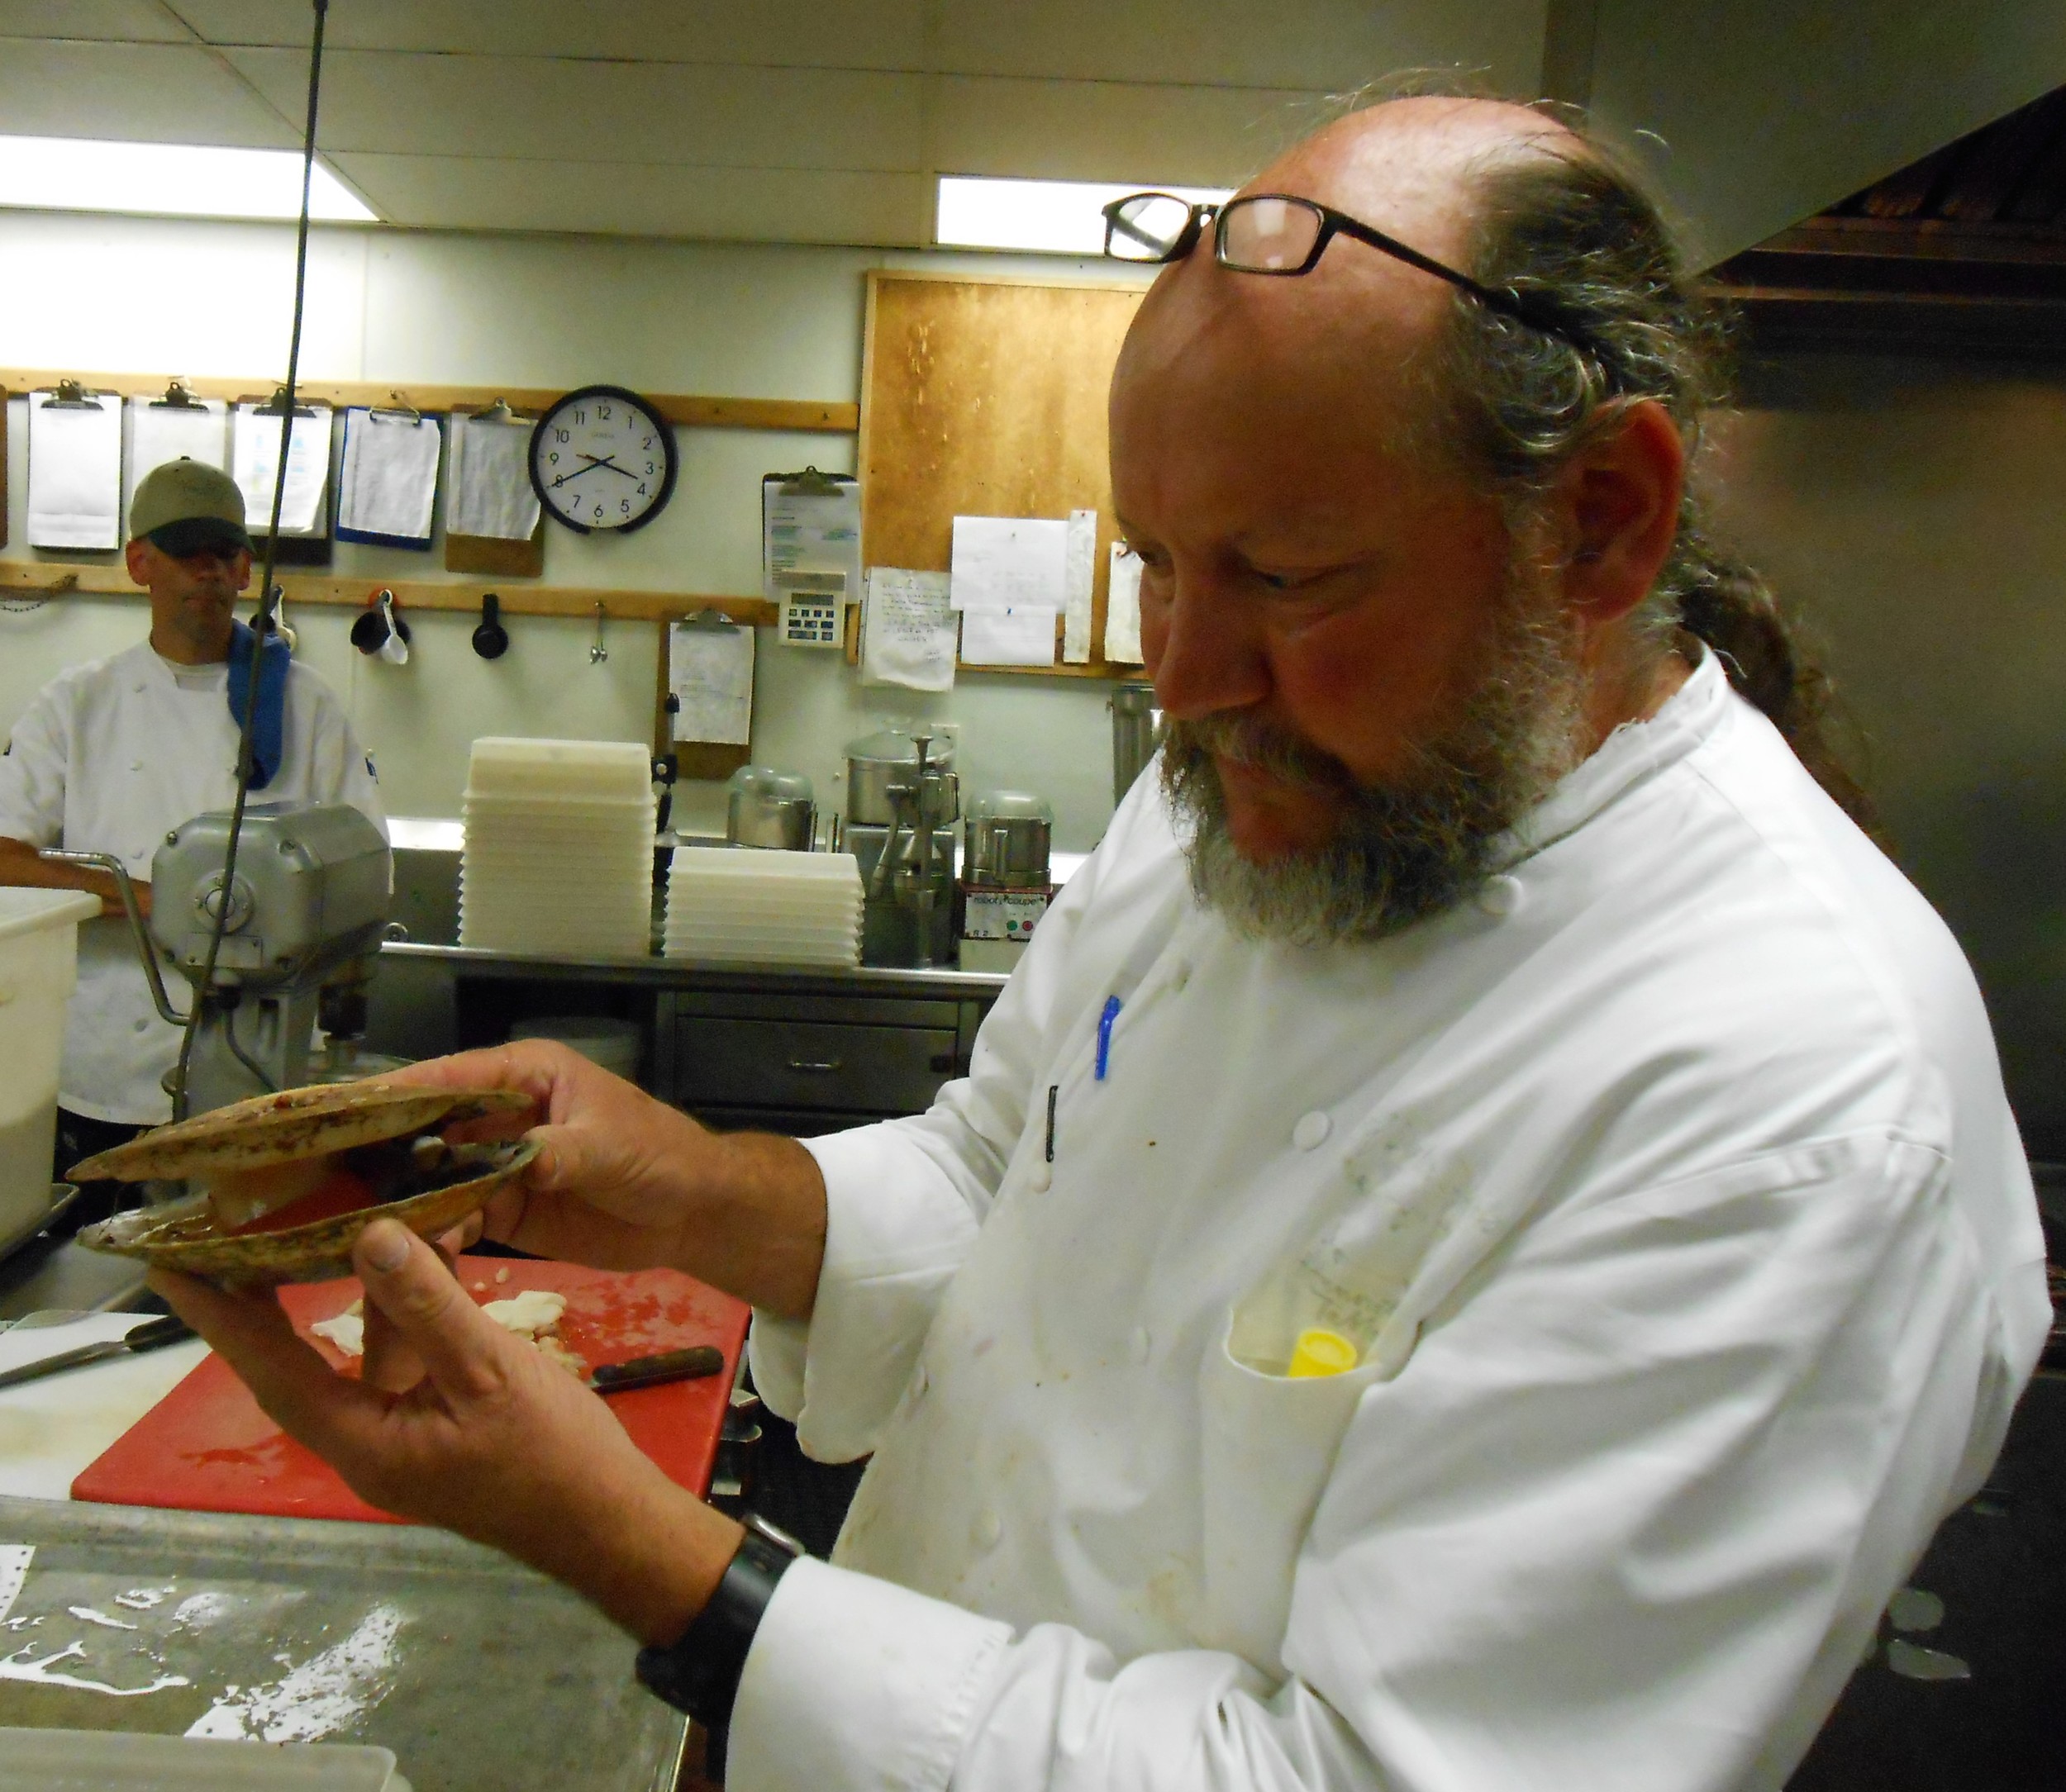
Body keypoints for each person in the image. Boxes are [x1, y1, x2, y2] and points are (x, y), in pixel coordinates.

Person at [159, 96, 2050, 1792]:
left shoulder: (1793, 1082)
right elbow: (1013, 1183)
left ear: (1604, 521)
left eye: (1288, 577)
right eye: (1154, 557)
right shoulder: (1242, 784)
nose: (1185, 673)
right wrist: (679, 1187)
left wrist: (649, 1552)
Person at [0, 459, 385, 1173]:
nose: (208, 570)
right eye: (187, 551)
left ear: (246, 570)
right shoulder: (78, 705)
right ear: (140, 563)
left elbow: (367, 869)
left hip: (262, 1064)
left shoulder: (306, 705)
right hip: (105, 1066)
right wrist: (151, 900)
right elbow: (3, 857)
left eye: (225, 553)